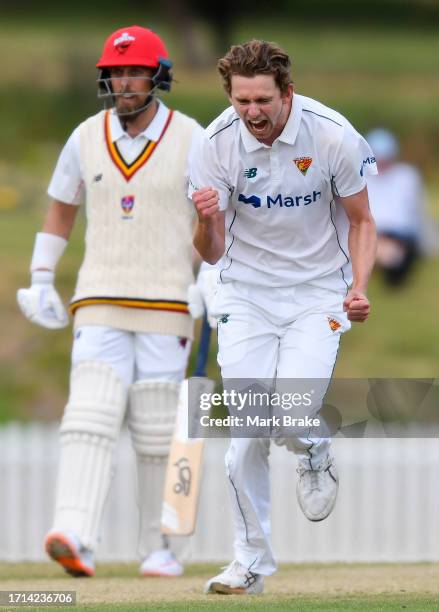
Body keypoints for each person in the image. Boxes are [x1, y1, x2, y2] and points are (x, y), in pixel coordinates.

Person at [189, 39, 377, 594]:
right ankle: (249, 565)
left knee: (292, 415)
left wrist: (360, 288)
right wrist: (203, 221)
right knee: (245, 434)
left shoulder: (332, 136)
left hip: (318, 293)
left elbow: (363, 221)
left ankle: (314, 445)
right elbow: (212, 251)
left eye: (262, 100)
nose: (252, 112)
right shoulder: (213, 144)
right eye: (241, 100)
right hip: (244, 293)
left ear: (286, 93)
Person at [17, 25, 203, 578]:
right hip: (98, 297)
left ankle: (165, 545)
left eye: (135, 72)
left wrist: (209, 277)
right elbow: (60, 208)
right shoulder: (83, 138)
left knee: (157, 426)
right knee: (89, 415)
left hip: (169, 301)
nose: (124, 82)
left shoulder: (193, 138)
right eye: (116, 73)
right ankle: (75, 534)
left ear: (157, 77)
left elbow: (217, 218)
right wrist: (41, 275)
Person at [365, 128, 436, 286]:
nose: (381, 164)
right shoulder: (360, 177)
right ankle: (380, 256)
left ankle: (380, 258)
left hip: (399, 235)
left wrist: (428, 243)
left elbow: (419, 212)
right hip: (370, 232)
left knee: (392, 256)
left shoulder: (407, 176)